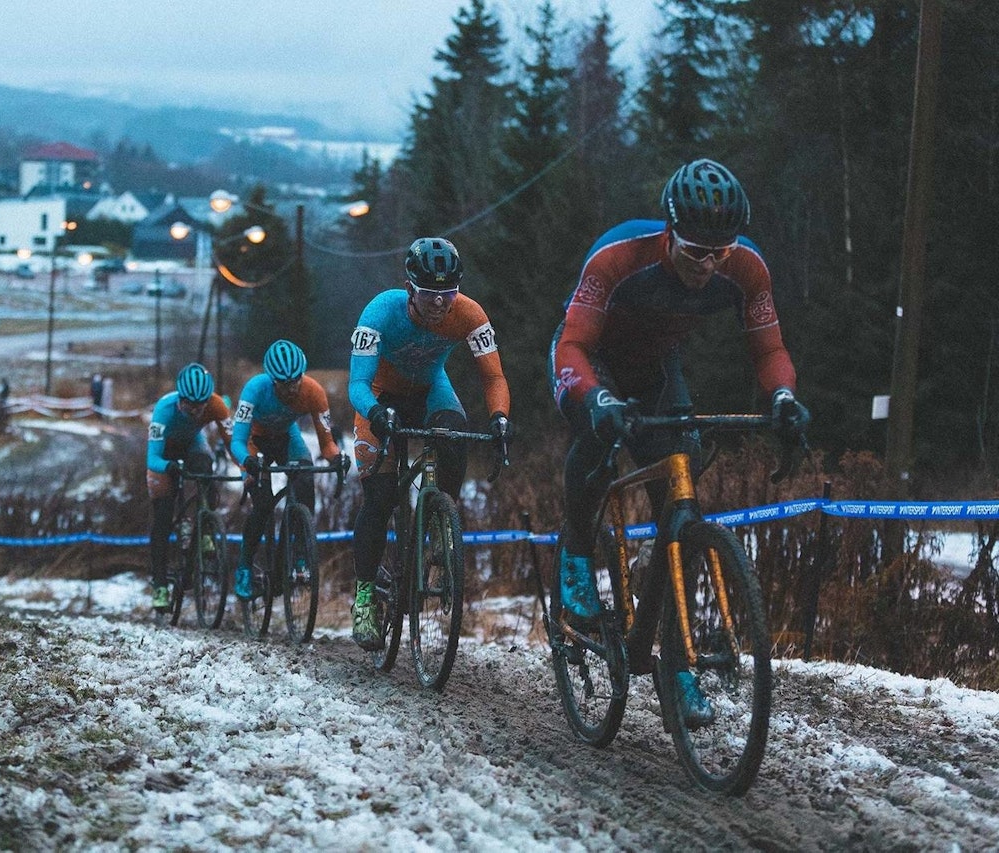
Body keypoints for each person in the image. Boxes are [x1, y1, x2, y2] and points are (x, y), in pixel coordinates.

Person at [549, 158, 811, 725]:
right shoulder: (619, 257)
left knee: (681, 491)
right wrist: (596, 399)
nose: (708, 265)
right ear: (669, 231)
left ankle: (676, 661)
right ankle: (576, 553)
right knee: (595, 438)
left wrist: (783, 399)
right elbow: (573, 346)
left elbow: (769, 349)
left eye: (720, 252)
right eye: (695, 252)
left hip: (654, 368)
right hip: (591, 359)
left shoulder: (747, 268)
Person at [347, 237, 513, 650]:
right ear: (409, 289)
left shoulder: (470, 314)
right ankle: (365, 597)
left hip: (430, 390)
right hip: (379, 398)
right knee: (380, 498)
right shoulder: (380, 311)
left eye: (449, 293)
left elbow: (493, 377)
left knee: (453, 432)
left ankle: (440, 520)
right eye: (428, 294)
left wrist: (499, 418)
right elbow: (357, 384)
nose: (440, 303)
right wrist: (376, 413)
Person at [230, 339, 343, 601]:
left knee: (305, 480)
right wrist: (247, 462)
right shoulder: (255, 389)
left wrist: (337, 458)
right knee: (263, 505)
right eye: (284, 384)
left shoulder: (313, 391)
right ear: (272, 381)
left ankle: (300, 556)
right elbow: (237, 441)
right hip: (254, 441)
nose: (292, 389)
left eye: (296, 381)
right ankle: (244, 567)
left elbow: (327, 443)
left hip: (286, 438)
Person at [145, 362, 232, 613]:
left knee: (206, 468)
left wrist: (247, 467)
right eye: (188, 406)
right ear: (180, 399)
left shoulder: (217, 405)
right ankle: (160, 584)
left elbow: (233, 443)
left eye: (199, 406)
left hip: (193, 444)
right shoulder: (164, 409)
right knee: (163, 516)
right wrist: (168, 466)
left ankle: (205, 528)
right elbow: (152, 458)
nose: (194, 411)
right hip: (164, 454)